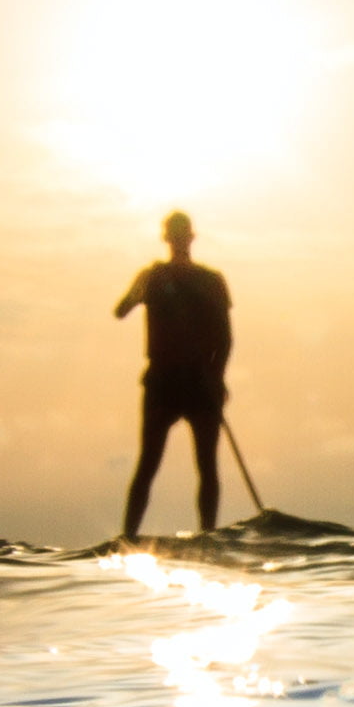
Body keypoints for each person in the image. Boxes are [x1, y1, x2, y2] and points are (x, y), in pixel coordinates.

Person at [112, 210, 234, 540]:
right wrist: (217, 377)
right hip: (177, 381)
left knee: (178, 467)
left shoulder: (202, 280)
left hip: (184, 382)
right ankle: (200, 537)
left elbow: (224, 337)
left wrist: (216, 378)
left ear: (169, 239)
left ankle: (132, 537)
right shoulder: (193, 279)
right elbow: (121, 310)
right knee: (170, 466)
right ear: (186, 239)